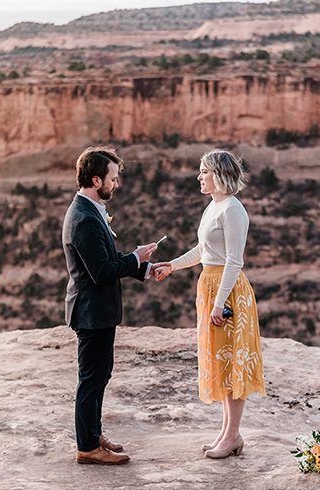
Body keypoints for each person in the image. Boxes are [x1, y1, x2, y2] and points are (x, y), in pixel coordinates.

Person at [152, 149, 265, 459]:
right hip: (211, 286)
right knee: (221, 362)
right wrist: (171, 266)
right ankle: (228, 432)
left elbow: (234, 261)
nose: (199, 177)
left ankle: (232, 435)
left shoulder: (233, 210)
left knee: (233, 364)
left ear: (219, 174)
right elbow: (203, 251)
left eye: (204, 172)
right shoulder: (214, 207)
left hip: (227, 293)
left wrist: (219, 303)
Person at [62, 146, 159, 465]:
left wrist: (142, 266)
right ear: (95, 179)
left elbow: (106, 260)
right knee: (91, 379)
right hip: (91, 313)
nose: (116, 184)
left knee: (100, 375)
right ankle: (87, 447)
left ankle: (93, 433)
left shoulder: (89, 210)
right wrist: (135, 258)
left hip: (97, 312)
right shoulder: (84, 219)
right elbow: (101, 271)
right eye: (113, 178)